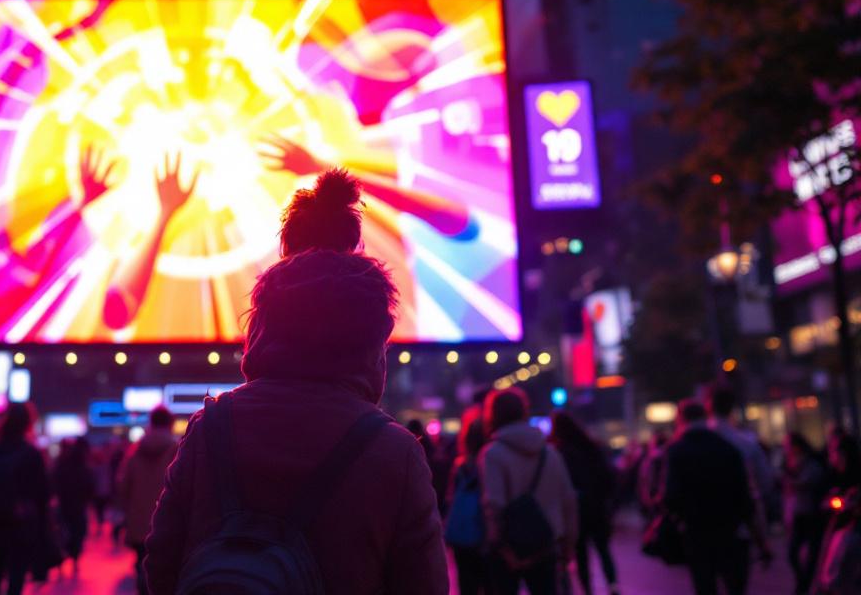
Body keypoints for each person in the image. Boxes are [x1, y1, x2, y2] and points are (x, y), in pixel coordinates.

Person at [143, 249, 448, 594]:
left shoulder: (211, 425)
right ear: (372, 350)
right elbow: (425, 584)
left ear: (260, 333)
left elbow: (161, 560)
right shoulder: (396, 452)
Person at [660, 399, 766, 595]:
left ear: (681, 419)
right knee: (735, 585)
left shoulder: (677, 450)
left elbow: (670, 497)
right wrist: (760, 540)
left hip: (696, 531)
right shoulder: (728, 448)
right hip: (730, 530)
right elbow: (744, 496)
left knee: (705, 586)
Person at [478, 387, 577, 595]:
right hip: (547, 544)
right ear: (524, 411)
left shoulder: (493, 454)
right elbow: (568, 500)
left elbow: (493, 505)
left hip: (508, 551)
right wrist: (568, 545)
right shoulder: (550, 453)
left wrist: (501, 547)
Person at [0, 402, 51, 595]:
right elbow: (41, 494)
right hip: (21, 521)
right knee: (17, 575)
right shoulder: (32, 453)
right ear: (29, 423)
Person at [550, 411, 619, 595]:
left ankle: (587, 590)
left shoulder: (559, 453)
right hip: (597, 508)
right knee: (604, 550)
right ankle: (613, 586)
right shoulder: (592, 448)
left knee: (581, 555)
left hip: (577, 510)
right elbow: (608, 478)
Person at [118, 407, 180, 595]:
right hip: (167, 521)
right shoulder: (177, 449)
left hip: (138, 521)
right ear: (170, 423)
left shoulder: (135, 451)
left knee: (141, 563)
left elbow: (123, 486)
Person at [707, 387, 773, 538]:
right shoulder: (747, 441)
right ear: (731, 407)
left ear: (708, 405)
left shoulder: (697, 442)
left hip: (705, 524)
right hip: (742, 523)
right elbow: (765, 481)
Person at [445, 407, 489, 595]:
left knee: (466, 584)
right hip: (486, 534)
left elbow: (450, 499)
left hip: (463, 535)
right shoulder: (491, 462)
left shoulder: (461, 465)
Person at [783, 432, 827, 595]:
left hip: (812, 513)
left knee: (813, 554)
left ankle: (807, 585)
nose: (785, 447)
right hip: (799, 513)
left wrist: (791, 482)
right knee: (792, 552)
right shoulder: (790, 463)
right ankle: (804, 582)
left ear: (796, 445)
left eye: (787, 443)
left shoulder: (810, 463)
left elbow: (809, 481)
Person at [54, 437, 97, 576]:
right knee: (78, 533)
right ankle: (74, 560)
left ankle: (62, 559)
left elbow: (55, 482)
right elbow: (90, 485)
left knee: (64, 532)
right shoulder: (83, 465)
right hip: (79, 505)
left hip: (65, 503)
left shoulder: (62, 463)